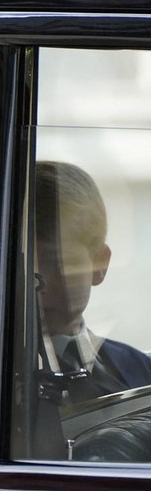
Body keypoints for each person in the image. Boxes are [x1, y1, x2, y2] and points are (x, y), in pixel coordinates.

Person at [35, 160, 151, 404]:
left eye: (59, 263)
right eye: (22, 265)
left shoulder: (140, 372)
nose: (39, 285)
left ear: (99, 264)